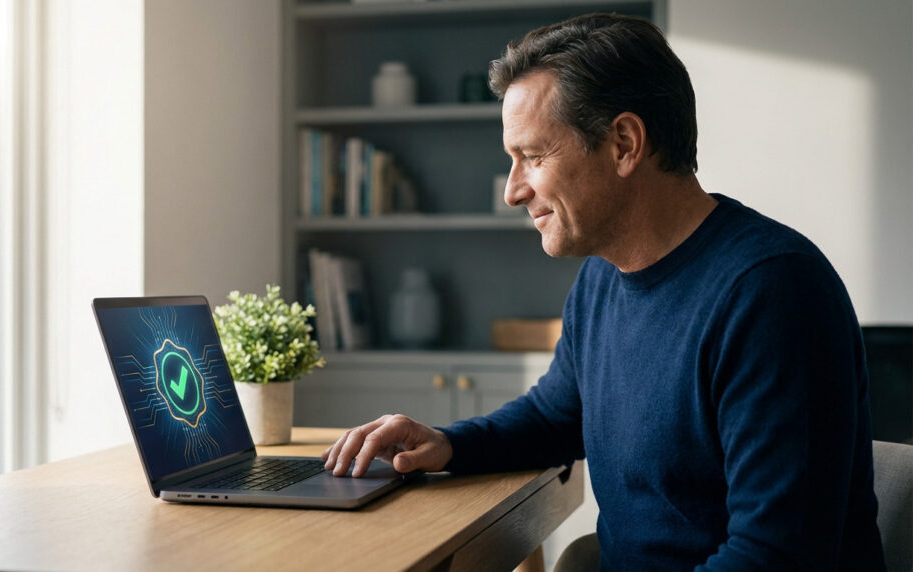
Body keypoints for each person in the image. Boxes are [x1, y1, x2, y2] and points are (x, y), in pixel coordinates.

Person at [321, 13, 885, 570]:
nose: (513, 192)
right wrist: (446, 443)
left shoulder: (772, 292)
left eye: (533, 156)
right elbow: (555, 416)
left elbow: (774, 557)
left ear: (623, 143)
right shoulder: (603, 277)